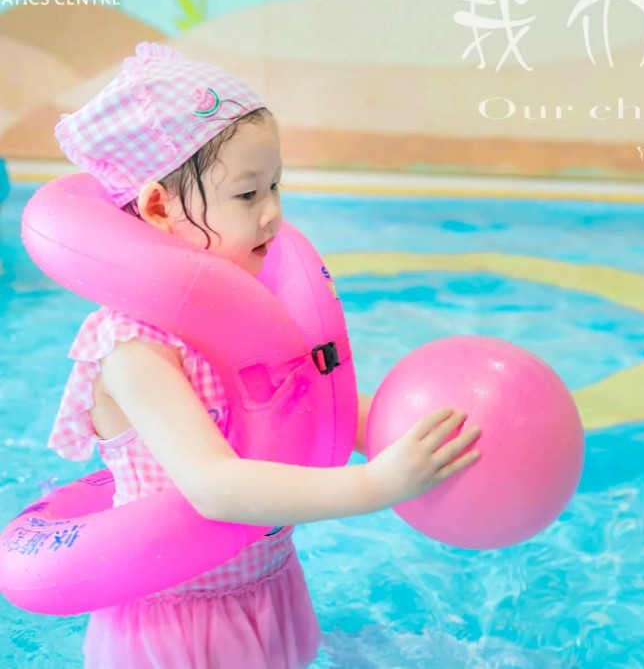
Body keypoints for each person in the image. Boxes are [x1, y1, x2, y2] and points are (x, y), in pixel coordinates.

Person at [47, 42, 481, 669]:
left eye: (275, 185)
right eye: (248, 194)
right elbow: (213, 487)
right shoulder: (135, 349)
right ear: (159, 207)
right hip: (179, 620)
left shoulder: (249, 318)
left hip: (268, 586)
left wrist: (415, 434)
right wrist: (375, 484)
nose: (274, 214)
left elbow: (313, 409)